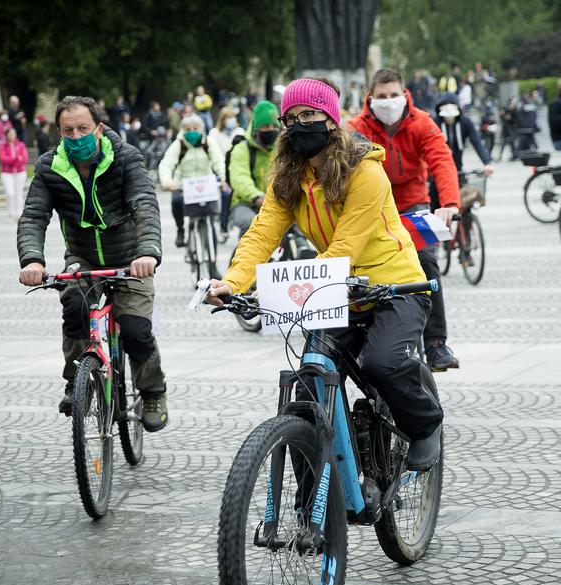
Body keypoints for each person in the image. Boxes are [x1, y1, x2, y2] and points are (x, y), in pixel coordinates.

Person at [206, 77, 444, 471]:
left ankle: (425, 424)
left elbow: (346, 247)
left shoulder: (366, 172)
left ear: (331, 120)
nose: (300, 125)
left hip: (395, 285)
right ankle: (313, 512)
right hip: (338, 289)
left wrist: (289, 288)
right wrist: (232, 282)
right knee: (307, 389)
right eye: (292, 118)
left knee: (381, 364)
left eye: (310, 115)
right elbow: (262, 233)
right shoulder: (289, 178)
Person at [16, 96, 168, 429]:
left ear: (98, 128)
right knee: (74, 307)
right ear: (58, 132)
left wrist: (147, 252)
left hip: (131, 259)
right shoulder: (49, 167)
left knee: (135, 330)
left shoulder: (126, 158)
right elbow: (33, 217)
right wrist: (32, 260)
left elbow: (144, 204)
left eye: (83, 128)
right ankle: (76, 381)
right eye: (67, 130)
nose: (75, 136)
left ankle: (153, 389)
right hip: (82, 258)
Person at [349, 68, 463, 372]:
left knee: (425, 262)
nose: (388, 102)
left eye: (394, 96)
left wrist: (449, 203)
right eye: (382, 97)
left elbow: (442, 160)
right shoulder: (355, 128)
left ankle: (436, 343)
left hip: (413, 204)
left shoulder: (422, 123)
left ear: (405, 95)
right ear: (370, 99)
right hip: (372, 208)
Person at [158, 113, 226, 256]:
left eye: (195, 128)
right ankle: (180, 229)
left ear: (201, 128)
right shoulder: (179, 144)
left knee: (210, 221)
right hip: (183, 183)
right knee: (176, 200)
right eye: (188, 129)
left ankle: (212, 264)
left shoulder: (209, 142)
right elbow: (166, 164)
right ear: (183, 130)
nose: (192, 131)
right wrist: (167, 182)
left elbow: (219, 161)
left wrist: (224, 178)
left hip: (206, 184)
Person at [227, 100, 280, 236]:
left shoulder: (282, 147)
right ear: (256, 128)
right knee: (251, 224)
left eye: (274, 126)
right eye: (266, 126)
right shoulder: (242, 148)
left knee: (296, 226)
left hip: (276, 203)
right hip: (245, 203)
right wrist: (256, 196)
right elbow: (239, 177)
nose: (271, 130)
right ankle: (242, 257)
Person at [433, 93, 495, 177]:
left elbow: (477, 143)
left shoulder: (465, 122)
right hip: (437, 168)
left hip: (458, 167)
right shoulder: (434, 123)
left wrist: (487, 163)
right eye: (445, 104)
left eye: (451, 104)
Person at [0, 127, 28, 219]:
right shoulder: (2, 145)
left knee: (19, 193)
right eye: (10, 133)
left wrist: (17, 160)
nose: (12, 135)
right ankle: (11, 211)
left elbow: (24, 158)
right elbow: (3, 159)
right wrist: (15, 159)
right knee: (10, 193)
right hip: (7, 173)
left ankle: (19, 212)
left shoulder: (21, 144)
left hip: (20, 172)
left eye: (14, 133)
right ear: (6, 135)